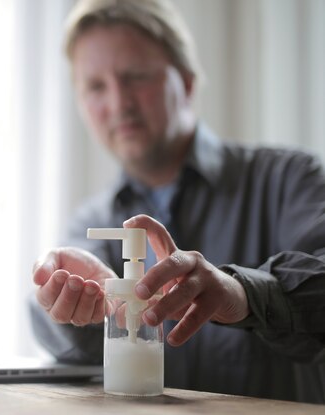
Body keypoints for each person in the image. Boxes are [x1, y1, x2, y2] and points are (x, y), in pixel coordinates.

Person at [30, 0, 325, 404]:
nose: (118, 103)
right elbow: (68, 347)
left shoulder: (290, 180)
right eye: (96, 86)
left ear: (186, 82)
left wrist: (241, 295)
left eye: (135, 76)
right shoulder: (92, 220)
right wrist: (67, 306)